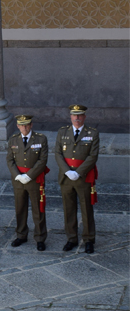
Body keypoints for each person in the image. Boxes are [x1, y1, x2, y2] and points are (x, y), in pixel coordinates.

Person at [55, 104, 99, 254]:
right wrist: (68, 171)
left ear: (84, 117)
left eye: (80, 115)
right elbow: (58, 154)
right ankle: (71, 238)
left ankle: (89, 239)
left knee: (86, 208)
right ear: (70, 116)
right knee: (69, 209)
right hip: (66, 177)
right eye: (74, 115)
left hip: (83, 177)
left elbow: (93, 156)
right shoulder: (62, 132)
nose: (77, 118)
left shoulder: (92, 133)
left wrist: (78, 172)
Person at [6, 114, 49, 250]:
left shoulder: (41, 139)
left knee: (38, 209)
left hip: (34, 179)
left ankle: (40, 237)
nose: (24, 127)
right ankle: (21, 235)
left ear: (31, 125)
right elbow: (9, 160)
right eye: (21, 125)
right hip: (18, 180)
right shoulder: (13, 140)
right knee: (20, 208)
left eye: (27, 124)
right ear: (18, 126)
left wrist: (29, 175)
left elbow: (42, 160)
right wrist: (17, 175)